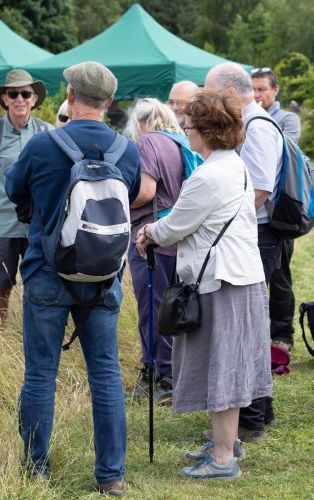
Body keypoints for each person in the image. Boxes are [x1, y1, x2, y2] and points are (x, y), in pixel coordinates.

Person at [5, 61, 140, 495]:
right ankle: (111, 477)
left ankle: (36, 472)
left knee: (41, 374)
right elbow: (131, 197)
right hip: (104, 277)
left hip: (47, 271)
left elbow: (13, 190)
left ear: (69, 95)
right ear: (110, 102)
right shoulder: (126, 150)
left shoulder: (44, 146)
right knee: (105, 373)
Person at [136, 90, 272, 480]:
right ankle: (224, 444)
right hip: (240, 277)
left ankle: (223, 458)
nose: (185, 130)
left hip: (222, 283)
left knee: (223, 367)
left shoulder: (208, 176)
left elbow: (177, 224)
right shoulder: (235, 166)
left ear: (207, 131)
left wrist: (148, 231)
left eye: (189, 125)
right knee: (230, 364)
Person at [205, 62, 283, 442]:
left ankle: (251, 418)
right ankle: (255, 414)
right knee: (252, 325)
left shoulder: (256, 127)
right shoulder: (250, 124)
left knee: (248, 328)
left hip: (260, 235)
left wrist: (224, 219)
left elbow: (260, 188)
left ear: (232, 93)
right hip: (254, 234)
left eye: (214, 93)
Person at [0, 69, 54, 325]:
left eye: (25, 93)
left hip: (37, 226)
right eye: (13, 94)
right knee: (1, 286)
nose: (19, 99)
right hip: (1, 225)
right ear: (5, 99)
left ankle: (35, 331)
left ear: (34, 99)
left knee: (38, 285)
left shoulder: (47, 132)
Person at [123, 98, 187, 404]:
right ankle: (170, 373)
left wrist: (115, 198)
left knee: (153, 307)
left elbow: (146, 192)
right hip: (177, 235)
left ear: (140, 122)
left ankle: (159, 378)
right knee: (171, 307)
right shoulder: (180, 142)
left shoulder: (147, 142)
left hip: (150, 237)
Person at [252, 67, 302, 354]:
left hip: (279, 215)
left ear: (275, 90)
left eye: (262, 89)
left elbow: (282, 153)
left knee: (280, 277)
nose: (257, 94)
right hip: (255, 216)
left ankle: (282, 335)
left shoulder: (287, 119)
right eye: (254, 89)